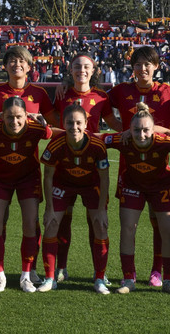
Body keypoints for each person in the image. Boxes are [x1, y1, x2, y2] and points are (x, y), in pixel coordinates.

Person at [108, 46, 170, 288]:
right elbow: (93, 100)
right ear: (132, 68)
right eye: (137, 64)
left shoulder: (169, 92)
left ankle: (158, 271)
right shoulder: (121, 91)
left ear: (156, 67)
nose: (142, 69)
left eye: (147, 64)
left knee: (160, 224)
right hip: (129, 170)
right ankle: (129, 276)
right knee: (128, 227)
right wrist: (119, 128)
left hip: (158, 170)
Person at [0, 46, 58, 285]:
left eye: (22, 61)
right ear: (5, 66)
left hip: (29, 169)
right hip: (0, 167)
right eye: (12, 61)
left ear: (29, 66)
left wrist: (44, 122)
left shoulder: (39, 93)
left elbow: (52, 126)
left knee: (31, 221)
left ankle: (30, 270)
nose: (17, 65)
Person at [52, 53, 121, 283]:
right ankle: (61, 268)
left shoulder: (101, 97)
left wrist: (135, 131)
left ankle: (99, 272)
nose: (81, 70)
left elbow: (114, 125)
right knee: (62, 221)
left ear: (93, 71)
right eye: (77, 66)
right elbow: (52, 125)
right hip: (64, 167)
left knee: (97, 221)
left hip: (93, 169)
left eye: (86, 67)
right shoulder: (62, 94)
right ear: (70, 70)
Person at [101, 103, 170, 295]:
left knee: (167, 231)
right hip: (132, 186)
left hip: (161, 187)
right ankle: (129, 279)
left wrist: (166, 131)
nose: (141, 134)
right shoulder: (123, 140)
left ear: (153, 130)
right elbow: (95, 139)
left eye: (146, 130)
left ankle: (168, 280)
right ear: (129, 130)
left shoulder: (164, 142)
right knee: (128, 229)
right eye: (136, 130)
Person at [37, 103, 111, 294]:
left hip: (90, 185)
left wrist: (102, 210)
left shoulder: (96, 145)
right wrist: (49, 208)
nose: (74, 127)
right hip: (63, 184)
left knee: (100, 226)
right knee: (52, 224)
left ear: (86, 123)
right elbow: (48, 177)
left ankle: (99, 278)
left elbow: (104, 178)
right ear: (63, 123)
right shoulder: (56, 144)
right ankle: (50, 277)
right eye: (70, 123)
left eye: (79, 122)